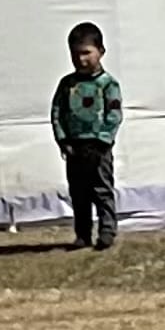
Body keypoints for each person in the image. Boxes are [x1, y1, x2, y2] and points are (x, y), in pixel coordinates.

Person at [51, 22, 122, 249]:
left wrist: (102, 141)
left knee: (102, 190)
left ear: (101, 51)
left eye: (86, 53)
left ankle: (107, 231)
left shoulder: (107, 84)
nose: (81, 59)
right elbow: (57, 113)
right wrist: (63, 139)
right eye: (75, 54)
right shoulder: (67, 85)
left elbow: (114, 114)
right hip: (74, 147)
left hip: (98, 148)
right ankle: (82, 234)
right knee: (79, 193)